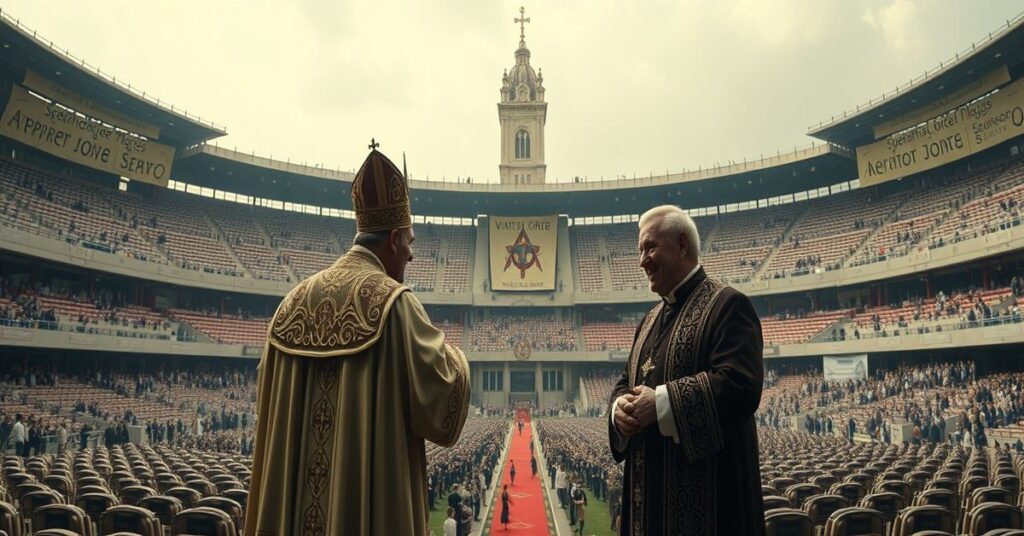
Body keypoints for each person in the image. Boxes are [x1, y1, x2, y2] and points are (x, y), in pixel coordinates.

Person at [245, 144, 471, 536]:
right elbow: (442, 399)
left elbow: (268, 404)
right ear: (394, 239)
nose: (411, 256)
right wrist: (458, 357)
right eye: (410, 243)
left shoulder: (291, 304)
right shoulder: (396, 305)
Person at [608, 205, 765, 535]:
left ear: (681, 244)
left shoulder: (727, 305)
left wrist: (660, 404)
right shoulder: (648, 320)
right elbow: (626, 381)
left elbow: (740, 386)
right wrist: (618, 408)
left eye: (650, 247)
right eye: (640, 250)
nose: (642, 261)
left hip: (709, 513)